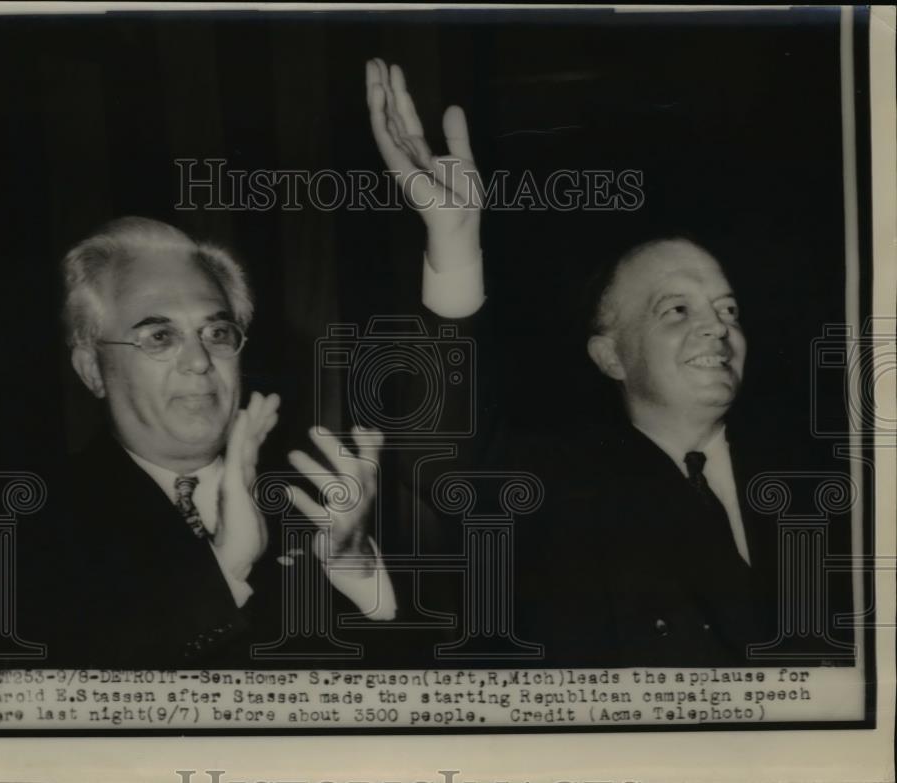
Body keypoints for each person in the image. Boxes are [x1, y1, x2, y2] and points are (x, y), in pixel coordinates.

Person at [365, 58, 851, 666]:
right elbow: (442, 447)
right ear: (609, 355)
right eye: (676, 309)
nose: (715, 326)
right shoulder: (566, 489)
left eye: (727, 309)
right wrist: (455, 241)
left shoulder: (829, 474)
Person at [36, 217, 396, 668]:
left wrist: (357, 571)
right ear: (92, 369)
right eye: (160, 336)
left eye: (217, 333)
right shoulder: (23, 524)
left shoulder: (319, 506)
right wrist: (226, 571)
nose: (200, 361)